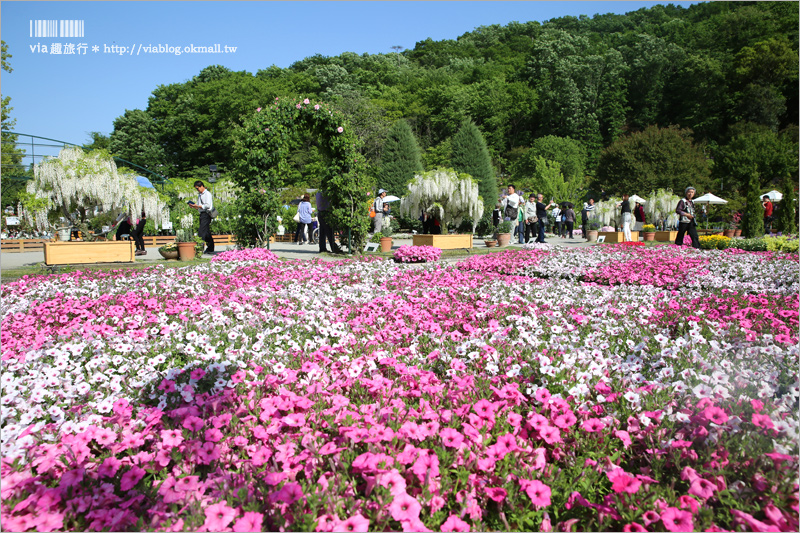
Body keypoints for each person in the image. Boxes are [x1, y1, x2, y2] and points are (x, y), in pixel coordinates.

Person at [190, 180, 214, 254]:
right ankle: (210, 247)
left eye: (198, 188)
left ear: (201, 186)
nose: (197, 190)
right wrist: (194, 206)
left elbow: (207, 205)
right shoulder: (200, 195)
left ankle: (199, 248)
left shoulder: (207, 194)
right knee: (206, 232)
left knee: (201, 231)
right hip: (202, 214)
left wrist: (197, 206)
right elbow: (199, 206)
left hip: (207, 214)